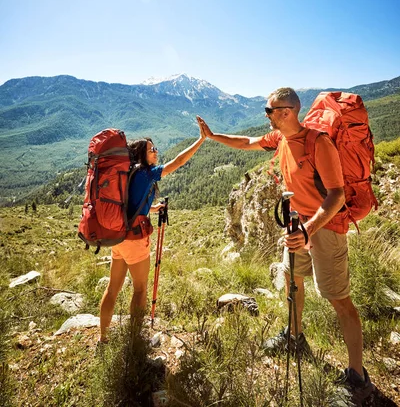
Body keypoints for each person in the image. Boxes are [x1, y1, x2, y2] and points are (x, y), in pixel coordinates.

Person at [197, 87, 374, 404]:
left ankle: (358, 376)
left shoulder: (318, 144)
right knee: (293, 280)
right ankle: (294, 337)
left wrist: (308, 230)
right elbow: (247, 143)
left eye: (269, 110)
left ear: (287, 112)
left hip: (324, 227)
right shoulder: (280, 139)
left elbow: (337, 196)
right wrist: (213, 136)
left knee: (339, 299)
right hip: (298, 224)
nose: (265, 115)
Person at [99, 118, 206, 344]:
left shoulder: (127, 172)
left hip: (117, 238)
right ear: (142, 154)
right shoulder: (147, 174)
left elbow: (127, 203)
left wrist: (151, 207)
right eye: (152, 149)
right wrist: (201, 140)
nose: (156, 152)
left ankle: (104, 338)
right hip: (135, 241)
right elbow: (180, 161)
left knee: (112, 289)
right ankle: (135, 341)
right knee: (140, 290)